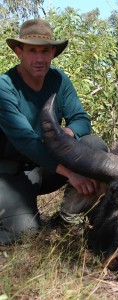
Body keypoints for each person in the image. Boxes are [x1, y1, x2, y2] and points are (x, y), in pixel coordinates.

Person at [0, 19, 109, 244]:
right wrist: (71, 172)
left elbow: (80, 119)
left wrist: (69, 133)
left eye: (45, 51)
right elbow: (26, 141)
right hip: (13, 173)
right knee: (24, 234)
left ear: (53, 53)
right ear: (19, 52)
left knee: (94, 146)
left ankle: (71, 215)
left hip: (49, 167)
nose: (39, 59)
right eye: (32, 51)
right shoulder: (5, 86)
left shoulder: (59, 80)